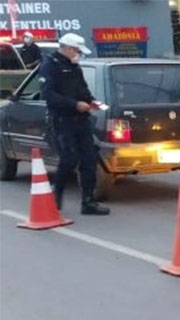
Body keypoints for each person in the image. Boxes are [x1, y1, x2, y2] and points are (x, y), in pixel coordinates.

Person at [41, 33, 109, 215]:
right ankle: (57, 192)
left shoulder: (74, 66)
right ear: (68, 48)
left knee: (89, 160)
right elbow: (49, 95)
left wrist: (91, 101)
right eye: (77, 50)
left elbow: (82, 88)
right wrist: (74, 104)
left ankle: (88, 202)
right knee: (69, 159)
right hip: (63, 121)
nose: (78, 54)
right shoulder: (50, 66)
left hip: (82, 121)